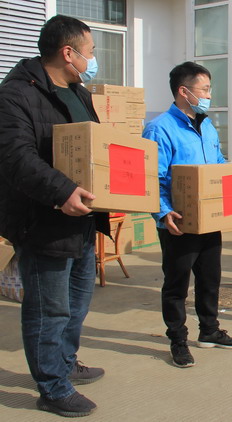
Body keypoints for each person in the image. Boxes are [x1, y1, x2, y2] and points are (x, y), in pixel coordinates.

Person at [0, 15, 107, 417]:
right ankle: (52, 387)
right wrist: (62, 192)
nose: (93, 59)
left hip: (81, 219)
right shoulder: (16, 95)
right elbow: (16, 158)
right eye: (90, 51)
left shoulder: (79, 92)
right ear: (68, 52)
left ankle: (64, 362)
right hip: (44, 220)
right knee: (49, 309)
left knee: (77, 302)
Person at [144, 62, 232, 368]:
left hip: (209, 218)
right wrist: (163, 213)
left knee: (210, 278)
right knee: (177, 284)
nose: (209, 95)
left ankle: (209, 330)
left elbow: (218, 162)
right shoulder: (159, 128)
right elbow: (152, 179)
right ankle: (178, 340)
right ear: (184, 91)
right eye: (205, 89)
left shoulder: (207, 125)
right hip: (179, 221)